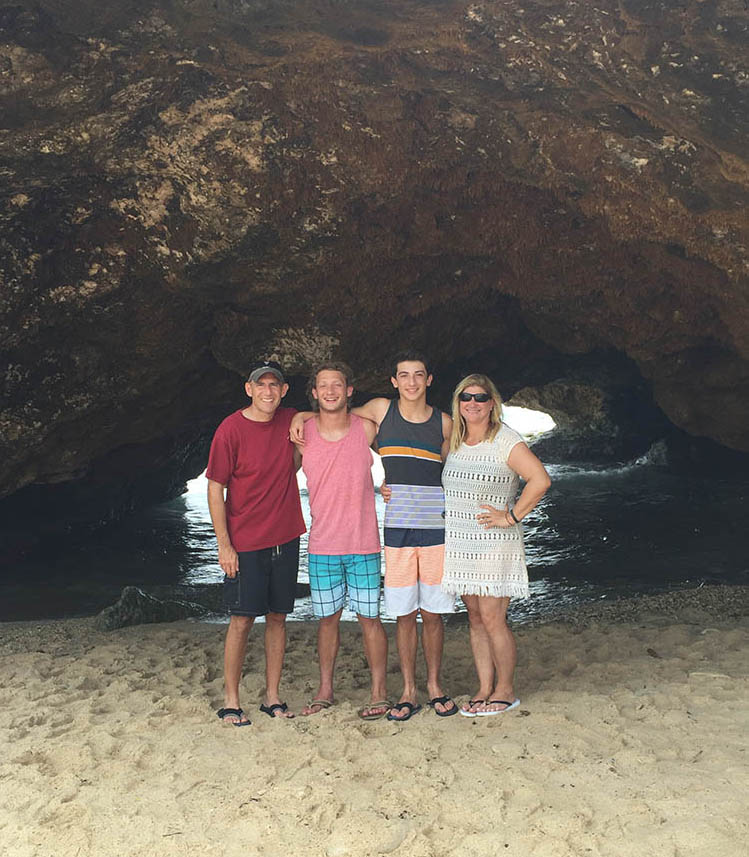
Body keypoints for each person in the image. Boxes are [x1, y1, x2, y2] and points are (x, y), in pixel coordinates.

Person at [291, 352, 457, 721]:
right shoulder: (332, 426)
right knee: (362, 617)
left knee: (413, 615)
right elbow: (285, 469)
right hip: (355, 538)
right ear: (394, 381)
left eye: (418, 375)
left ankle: (408, 689)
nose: (411, 382)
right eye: (403, 375)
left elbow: (453, 465)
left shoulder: (420, 425)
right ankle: (348, 690)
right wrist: (298, 417)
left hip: (400, 535)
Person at [441, 373, 551, 717]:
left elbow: (540, 479)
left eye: (480, 397)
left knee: (493, 619)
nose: (472, 403)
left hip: (494, 543)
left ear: (492, 403)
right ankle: (484, 688)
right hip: (461, 543)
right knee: (475, 618)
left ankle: (505, 690)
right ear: (458, 403)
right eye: (466, 397)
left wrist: (512, 516)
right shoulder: (455, 440)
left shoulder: (505, 439)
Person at [206, 360, 305, 726]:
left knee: (278, 618)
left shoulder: (290, 418)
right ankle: (231, 701)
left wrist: (300, 420)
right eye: (260, 385)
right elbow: (215, 488)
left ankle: (272, 696)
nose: (267, 391)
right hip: (245, 542)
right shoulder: (230, 429)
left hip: (286, 536)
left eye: (274, 385)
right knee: (242, 620)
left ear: (283, 391)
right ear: (248, 389)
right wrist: (224, 545)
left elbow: (326, 415)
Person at [294, 362, 390, 720]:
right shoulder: (302, 433)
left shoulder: (365, 428)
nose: (330, 391)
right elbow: (278, 473)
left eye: (337, 384)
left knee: (370, 619)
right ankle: (325, 690)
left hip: (364, 544)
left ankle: (379, 692)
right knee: (327, 621)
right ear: (314, 393)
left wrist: (392, 481)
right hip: (322, 546)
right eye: (323, 385)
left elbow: (400, 449)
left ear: (349, 390)